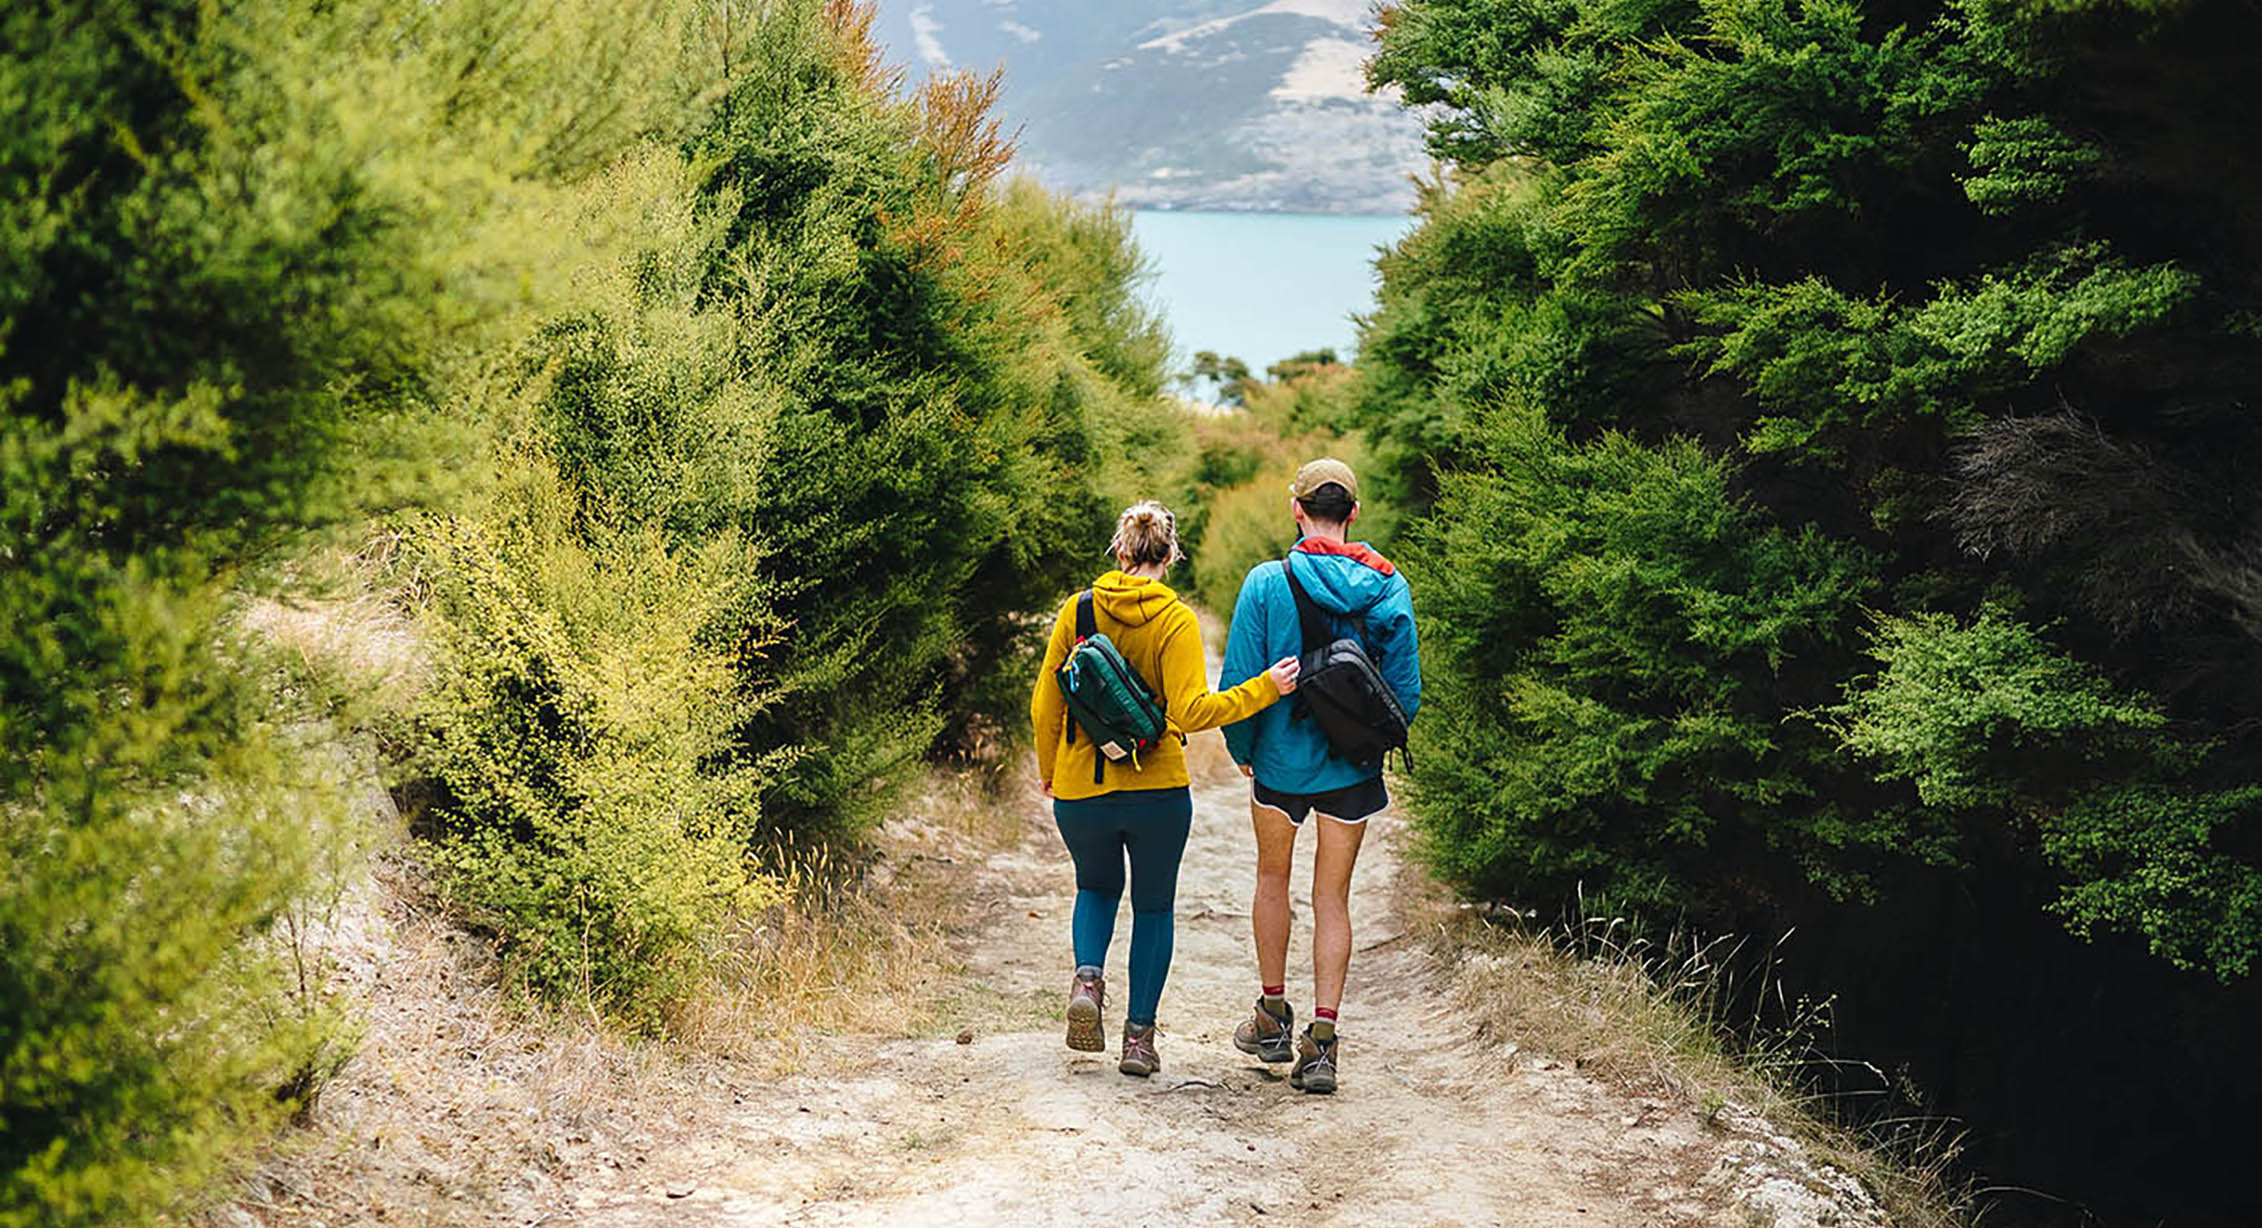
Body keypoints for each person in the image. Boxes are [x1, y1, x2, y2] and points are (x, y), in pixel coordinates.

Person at [1030, 501, 1300, 1077]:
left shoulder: (1078, 611)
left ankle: (1087, 979)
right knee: (1153, 907)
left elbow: (1045, 701)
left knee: (1095, 888)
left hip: (1082, 788)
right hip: (1157, 792)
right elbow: (1193, 711)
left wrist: (1050, 766)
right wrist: (1265, 690)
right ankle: (1138, 1041)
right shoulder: (1175, 620)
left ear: (1120, 551)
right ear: (1170, 556)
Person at [1219, 458, 1420, 1094]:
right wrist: (1368, 740)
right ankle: (1324, 1042)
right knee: (1332, 898)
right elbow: (1406, 692)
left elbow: (1239, 682)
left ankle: (1273, 1017)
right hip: (1352, 769)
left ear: (1297, 509)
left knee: (1271, 879)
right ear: (1353, 513)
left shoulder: (1265, 583)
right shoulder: (1389, 586)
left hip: (1278, 759)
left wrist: (1244, 749)